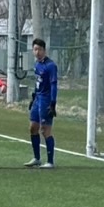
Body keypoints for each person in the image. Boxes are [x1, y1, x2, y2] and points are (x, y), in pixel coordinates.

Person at [26, 37, 59, 167]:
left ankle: (50, 161)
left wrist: (53, 103)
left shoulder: (51, 66)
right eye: (35, 49)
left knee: (45, 130)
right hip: (38, 99)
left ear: (44, 50)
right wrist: (33, 97)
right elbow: (37, 83)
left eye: (39, 49)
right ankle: (37, 158)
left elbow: (54, 85)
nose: (37, 52)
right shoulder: (37, 64)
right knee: (33, 127)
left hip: (46, 100)